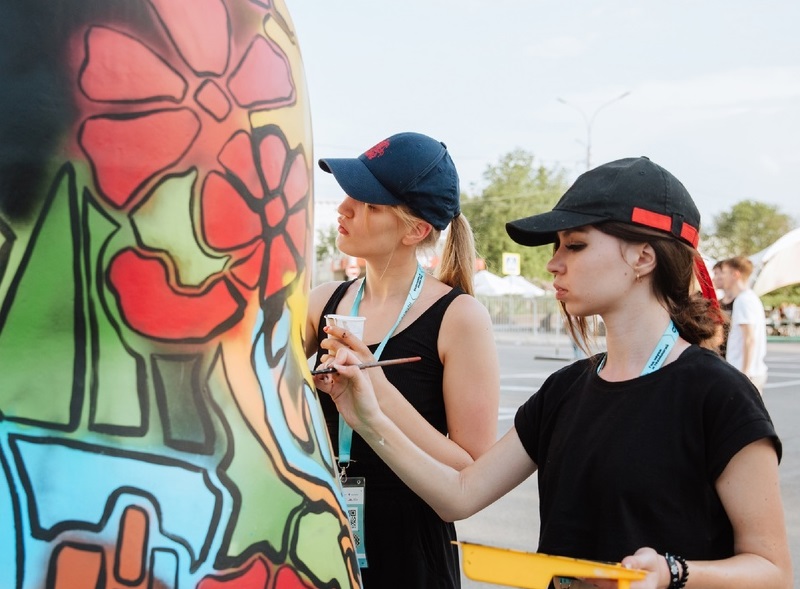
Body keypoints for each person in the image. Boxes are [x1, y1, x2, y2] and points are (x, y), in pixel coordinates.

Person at [320, 157, 793, 589]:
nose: (553, 263)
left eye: (575, 245)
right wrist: (367, 417)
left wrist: (673, 573)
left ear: (643, 257)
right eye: (556, 247)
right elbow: (458, 496)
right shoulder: (564, 390)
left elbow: (772, 571)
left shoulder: (719, 393)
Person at [305, 131, 500, 588]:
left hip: (409, 552)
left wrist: (377, 392)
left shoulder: (459, 316)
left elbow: (470, 471)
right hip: (318, 536)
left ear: (416, 230)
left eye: (369, 204)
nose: (344, 208)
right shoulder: (321, 302)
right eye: (349, 195)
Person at [718, 256, 769, 393]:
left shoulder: (743, 300)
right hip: (748, 371)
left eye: (725, 272)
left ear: (735, 274)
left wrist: (745, 373)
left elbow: (749, 339)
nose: (722, 277)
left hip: (744, 372)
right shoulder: (749, 298)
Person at [711, 260, 735, 357]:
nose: (714, 278)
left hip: (734, 357)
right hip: (720, 356)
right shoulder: (717, 303)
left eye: (717, 273)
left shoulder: (740, 302)